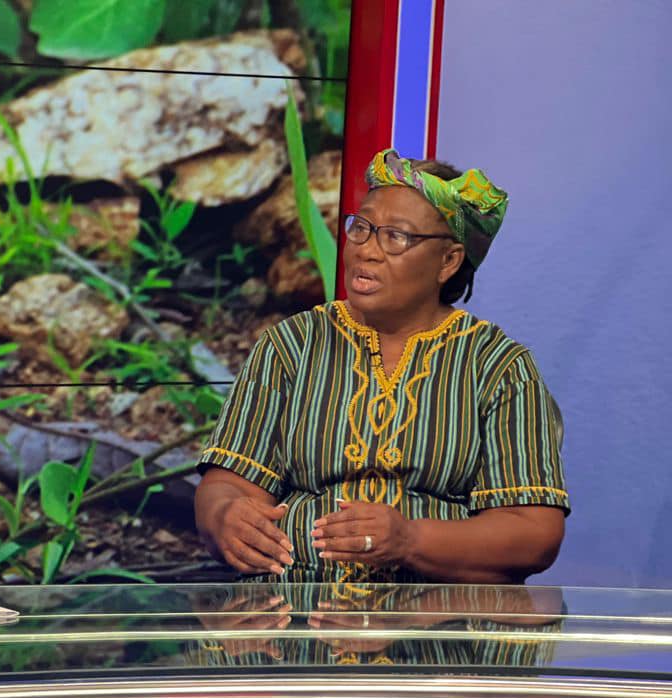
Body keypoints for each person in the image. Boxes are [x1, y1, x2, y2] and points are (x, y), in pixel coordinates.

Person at [195, 148, 568, 586]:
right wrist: (225, 517)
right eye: (362, 228)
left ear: (448, 261)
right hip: (292, 611)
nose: (367, 251)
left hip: (437, 619)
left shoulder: (498, 368)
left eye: (396, 237)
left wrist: (410, 540)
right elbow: (228, 485)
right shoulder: (291, 345)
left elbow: (535, 534)